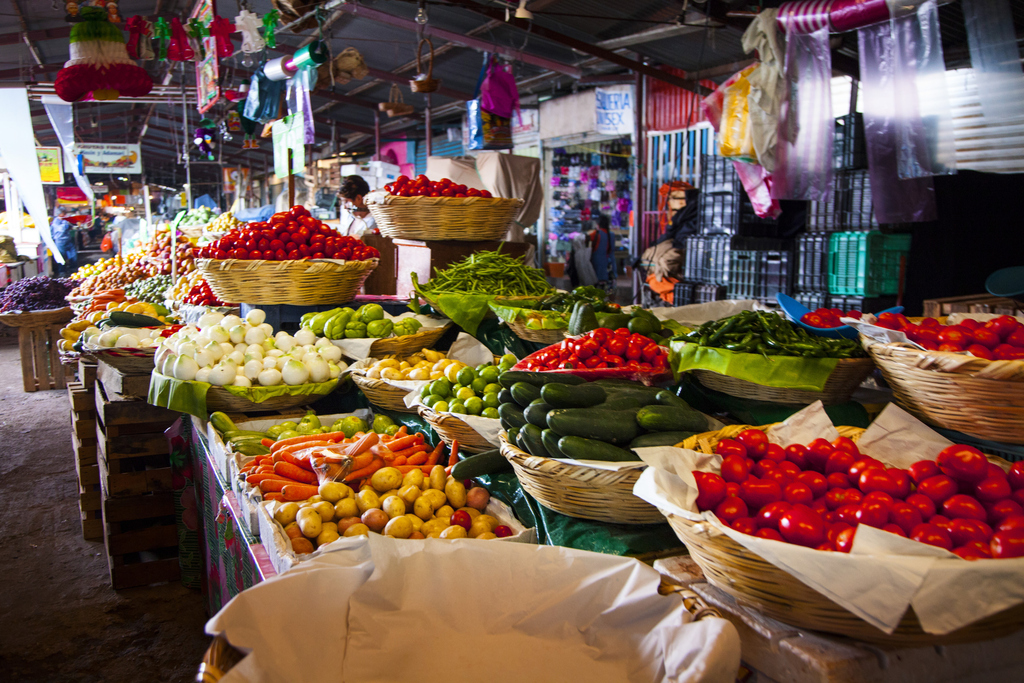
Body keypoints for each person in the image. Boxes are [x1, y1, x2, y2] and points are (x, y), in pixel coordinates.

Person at [588, 215, 617, 296]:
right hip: (609, 266)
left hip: (597, 266)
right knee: (608, 293)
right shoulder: (611, 235)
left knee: (597, 292)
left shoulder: (595, 234)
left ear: (598, 224)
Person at [49, 207, 77, 277]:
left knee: (73, 255)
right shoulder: (56, 222)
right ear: (60, 214)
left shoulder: (64, 221)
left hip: (68, 240)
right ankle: (62, 272)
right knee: (61, 257)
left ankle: (73, 270)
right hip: (60, 241)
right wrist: (66, 221)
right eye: (64, 213)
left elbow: (71, 226)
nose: (65, 215)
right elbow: (62, 229)